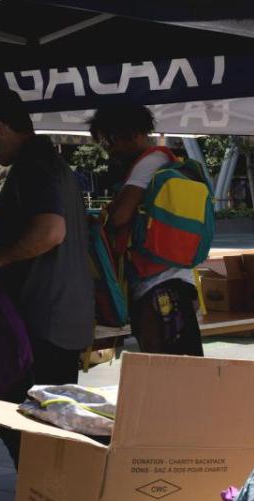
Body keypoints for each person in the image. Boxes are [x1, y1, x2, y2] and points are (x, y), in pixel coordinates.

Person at [0, 88, 92, 466]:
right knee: (49, 432)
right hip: (59, 315)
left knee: (31, 431)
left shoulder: (35, 163)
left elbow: (50, 232)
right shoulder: (52, 163)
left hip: (44, 323)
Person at [89, 104, 203, 356]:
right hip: (170, 282)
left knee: (164, 365)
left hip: (159, 287)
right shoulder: (164, 161)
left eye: (110, 142)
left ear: (132, 134)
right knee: (178, 365)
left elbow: (119, 217)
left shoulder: (148, 164)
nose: (110, 151)